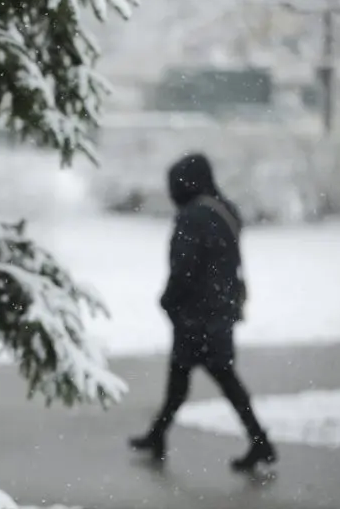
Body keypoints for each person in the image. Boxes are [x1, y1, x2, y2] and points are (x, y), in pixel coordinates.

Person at [128, 152, 277, 472]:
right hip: (219, 309)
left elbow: (185, 266)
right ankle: (159, 435)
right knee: (190, 378)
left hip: (197, 314)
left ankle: (259, 441)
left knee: (210, 378)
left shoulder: (194, 216)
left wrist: (168, 299)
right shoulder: (223, 209)